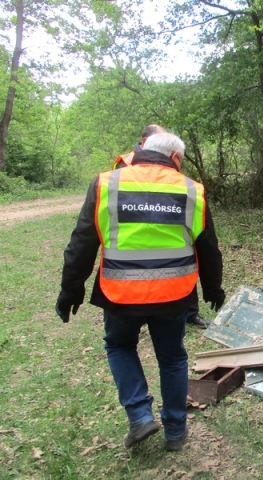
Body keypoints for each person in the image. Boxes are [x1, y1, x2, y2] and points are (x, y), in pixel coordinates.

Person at [55, 133, 224, 451]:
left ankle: (139, 416)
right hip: (173, 293)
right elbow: (208, 247)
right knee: (172, 358)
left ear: (142, 149)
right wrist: (213, 287)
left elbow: (82, 241)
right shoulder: (192, 189)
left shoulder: (106, 183)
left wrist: (70, 290)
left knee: (120, 346)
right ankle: (175, 431)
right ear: (176, 158)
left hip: (120, 292)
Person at [114, 124, 212, 329]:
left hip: (168, 218)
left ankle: (190, 312)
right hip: (137, 226)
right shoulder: (125, 163)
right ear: (145, 141)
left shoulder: (181, 180)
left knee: (182, 260)